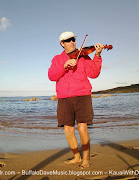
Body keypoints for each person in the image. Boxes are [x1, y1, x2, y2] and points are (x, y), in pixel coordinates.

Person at [48, 31, 104, 168]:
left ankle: (86, 159)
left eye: (73, 39)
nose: (73, 42)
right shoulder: (57, 59)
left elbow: (93, 74)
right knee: (68, 129)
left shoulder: (83, 57)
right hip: (64, 97)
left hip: (82, 95)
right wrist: (64, 66)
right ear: (62, 43)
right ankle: (76, 157)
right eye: (69, 40)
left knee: (82, 127)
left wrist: (97, 55)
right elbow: (52, 76)